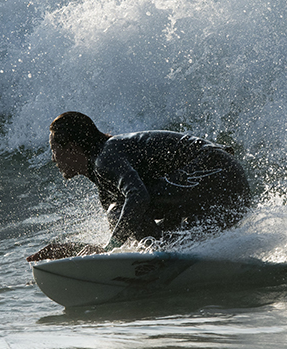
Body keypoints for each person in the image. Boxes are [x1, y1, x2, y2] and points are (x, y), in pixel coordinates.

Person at [28, 111, 252, 261]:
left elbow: (138, 198)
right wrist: (70, 250)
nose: (53, 158)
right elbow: (130, 235)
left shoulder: (106, 157)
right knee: (139, 224)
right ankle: (170, 259)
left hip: (218, 171)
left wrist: (109, 249)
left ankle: (164, 260)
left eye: (54, 149)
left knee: (121, 210)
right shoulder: (105, 184)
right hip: (222, 190)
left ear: (72, 148)